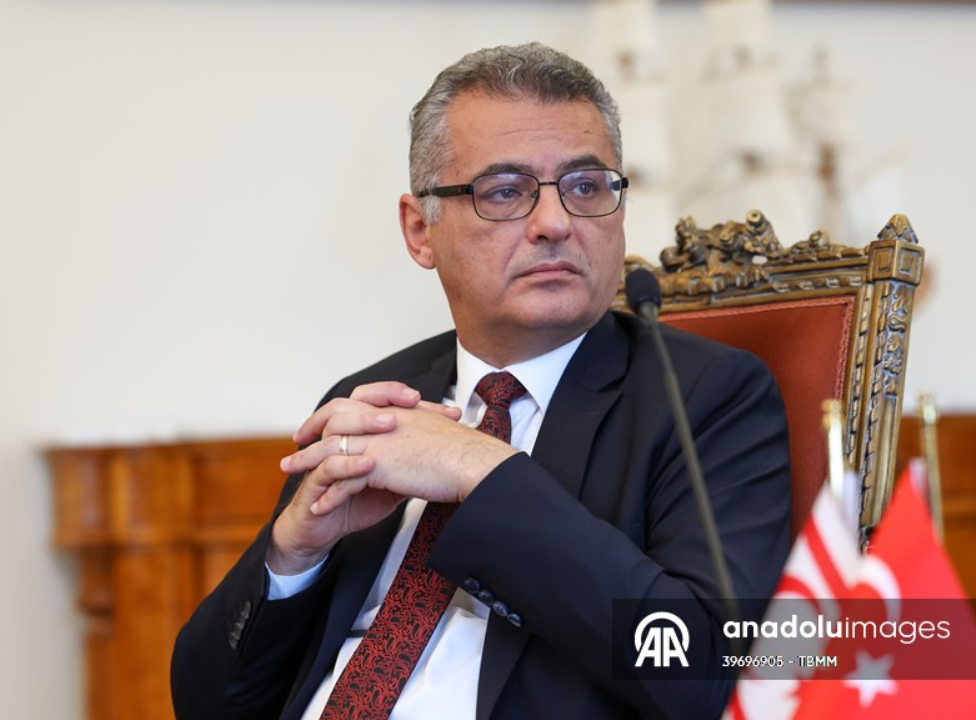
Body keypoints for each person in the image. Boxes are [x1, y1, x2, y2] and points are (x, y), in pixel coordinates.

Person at [171, 42, 791, 720]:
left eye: (586, 187)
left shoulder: (705, 398)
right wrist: (293, 553)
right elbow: (206, 704)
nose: (554, 223)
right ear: (420, 231)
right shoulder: (378, 400)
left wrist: (480, 469)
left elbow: (706, 670)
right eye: (505, 192)